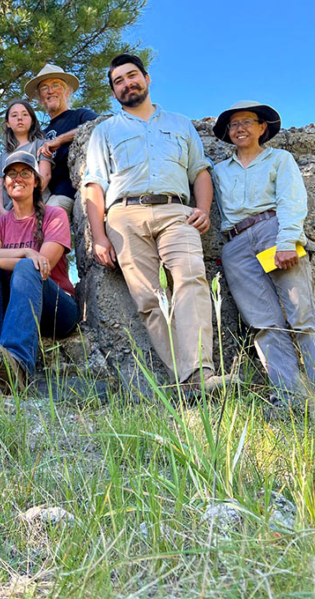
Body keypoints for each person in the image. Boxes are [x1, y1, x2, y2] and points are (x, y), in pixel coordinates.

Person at [83, 53, 235, 393]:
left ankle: (200, 373)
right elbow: (94, 185)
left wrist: (204, 208)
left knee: (191, 279)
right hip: (124, 217)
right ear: (113, 92)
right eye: (118, 81)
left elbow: (199, 170)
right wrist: (98, 236)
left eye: (132, 75)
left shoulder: (180, 124)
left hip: (176, 212)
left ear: (147, 79)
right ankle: (187, 382)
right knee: (149, 300)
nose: (127, 83)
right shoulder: (105, 131)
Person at [212, 101, 315, 404]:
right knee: (264, 324)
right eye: (233, 124)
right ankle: (291, 400)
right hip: (236, 246)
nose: (239, 128)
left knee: (303, 316)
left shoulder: (279, 159)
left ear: (262, 127)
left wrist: (287, 241)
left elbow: (291, 200)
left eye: (247, 122)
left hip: (273, 231)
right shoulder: (218, 171)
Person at [0, 151, 79, 391]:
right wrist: (26, 252)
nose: (17, 178)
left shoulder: (54, 215)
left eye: (25, 173)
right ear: (5, 182)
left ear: (36, 181)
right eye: (11, 174)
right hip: (16, 308)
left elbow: (43, 265)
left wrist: (1, 260)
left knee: (28, 267)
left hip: (57, 308)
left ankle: (16, 364)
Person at [24, 63, 98, 218]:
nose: (50, 91)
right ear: (40, 98)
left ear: (67, 92)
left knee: (47, 219)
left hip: (72, 191)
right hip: (46, 194)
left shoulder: (80, 115)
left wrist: (59, 140)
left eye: (55, 85)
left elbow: (98, 127)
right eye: (44, 88)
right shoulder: (41, 134)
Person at [0, 99, 52, 213]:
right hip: (9, 212)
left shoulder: (40, 144)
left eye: (25, 114)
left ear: (32, 121)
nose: (19, 118)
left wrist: (27, 204)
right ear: (8, 123)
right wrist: (1, 210)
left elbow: (45, 175)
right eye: (14, 115)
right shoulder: (3, 156)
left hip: (36, 208)